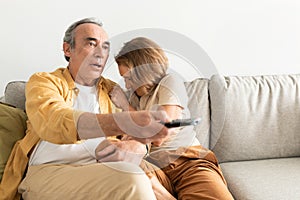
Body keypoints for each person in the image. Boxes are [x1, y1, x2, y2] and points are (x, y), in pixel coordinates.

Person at [0, 18, 172, 200]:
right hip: (49, 170)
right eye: (91, 43)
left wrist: (135, 147)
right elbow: (54, 120)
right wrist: (123, 123)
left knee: (141, 176)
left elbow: (141, 139)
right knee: (132, 178)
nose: (100, 54)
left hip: (100, 170)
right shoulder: (44, 82)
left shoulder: (113, 91)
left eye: (105, 48)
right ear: (68, 49)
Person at [109, 37, 234, 199]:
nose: (127, 85)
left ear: (144, 73)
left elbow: (162, 130)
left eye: (129, 78)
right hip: (153, 167)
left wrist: (126, 107)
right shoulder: (133, 97)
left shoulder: (169, 82)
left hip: (187, 162)